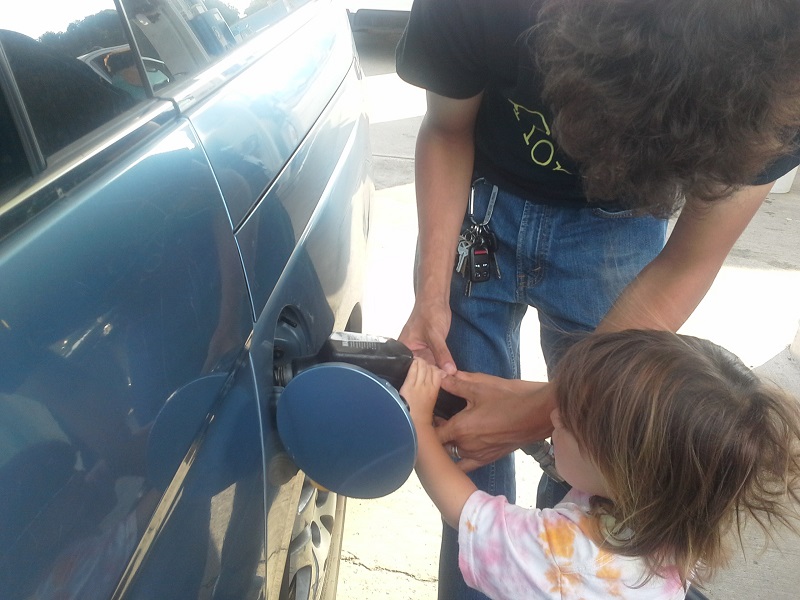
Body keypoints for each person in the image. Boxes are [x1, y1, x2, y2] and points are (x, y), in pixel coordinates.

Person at [395, 1, 800, 597]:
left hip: (619, 229)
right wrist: (431, 292)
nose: (561, 422)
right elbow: (447, 128)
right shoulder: (485, 10)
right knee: (476, 423)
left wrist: (552, 408)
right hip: (481, 200)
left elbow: (687, 260)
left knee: (594, 449)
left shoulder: (780, 75)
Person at [399, 330, 800, 600]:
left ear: (629, 469)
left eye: (571, 420)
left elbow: (471, 516)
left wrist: (416, 425)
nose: (553, 415)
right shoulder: (682, 511)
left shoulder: (570, 556)